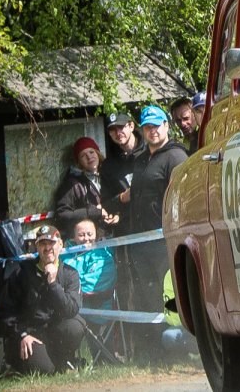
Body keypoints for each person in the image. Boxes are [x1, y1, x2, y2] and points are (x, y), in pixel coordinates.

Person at [125, 105, 188, 360]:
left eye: (157, 125)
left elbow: (182, 197)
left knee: (171, 296)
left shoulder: (176, 157)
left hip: (164, 240)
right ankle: (152, 350)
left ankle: (178, 348)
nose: (153, 131)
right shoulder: (140, 159)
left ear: (166, 126)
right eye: (148, 127)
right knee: (146, 294)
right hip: (140, 242)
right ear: (142, 130)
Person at [0, 225, 84, 375]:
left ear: (61, 245)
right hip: (29, 334)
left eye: (52, 243)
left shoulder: (70, 274)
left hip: (55, 332)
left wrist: (53, 283)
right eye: (43, 244)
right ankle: (19, 363)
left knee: (76, 326)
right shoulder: (21, 273)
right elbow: (5, 312)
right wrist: (22, 335)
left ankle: (62, 360)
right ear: (36, 247)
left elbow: (71, 310)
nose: (48, 248)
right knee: (45, 370)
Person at [53, 137, 119, 239]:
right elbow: (62, 214)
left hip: (113, 235)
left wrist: (117, 214)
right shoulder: (71, 184)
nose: (89, 157)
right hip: (87, 240)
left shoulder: (109, 175)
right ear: (78, 162)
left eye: (91, 152)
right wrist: (93, 213)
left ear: (98, 153)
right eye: (83, 155)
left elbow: (118, 199)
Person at [103, 111, 142, 237]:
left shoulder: (151, 151)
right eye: (113, 130)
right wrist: (121, 198)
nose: (118, 133)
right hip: (128, 230)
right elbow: (106, 203)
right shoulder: (108, 165)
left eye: (121, 127)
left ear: (131, 126)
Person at [61, 219, 117, 307]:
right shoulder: (64, 254)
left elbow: (90, 286)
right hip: (69, 307)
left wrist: (66, 289)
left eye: (90, 234)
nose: (86, 238)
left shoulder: (103, 256)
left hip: (96, 313)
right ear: (74, 237)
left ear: (96, 235)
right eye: (81, 235)